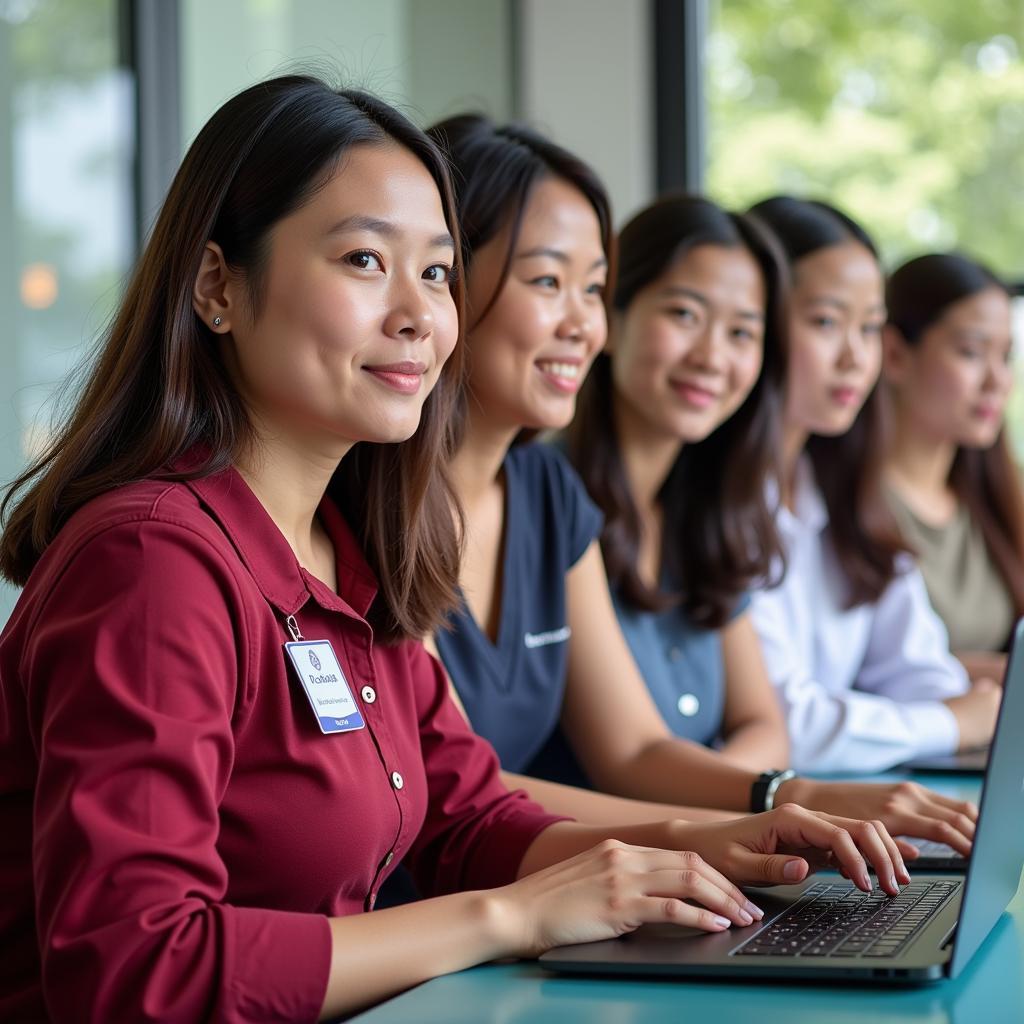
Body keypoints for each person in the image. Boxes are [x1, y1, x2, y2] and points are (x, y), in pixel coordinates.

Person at [0, 77, 913, 1023]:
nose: (419, 316)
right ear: (218, 285)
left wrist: (719, 842)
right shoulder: (154, 562)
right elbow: (136, 970)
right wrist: (509, 916)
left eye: (437, 273)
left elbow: (462, 811)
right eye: (364, 260)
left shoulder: (347, 547)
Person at [425, 114, 979, 847]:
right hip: (480, 900)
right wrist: (744, 822)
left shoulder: (546, 496)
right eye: (548, 281)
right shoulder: (385, 498)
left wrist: (791, 801)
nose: (578, 322)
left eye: (590, 288)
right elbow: (462, 792)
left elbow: (637, 749)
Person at [746, 197, 1002, 775]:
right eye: (825, 323)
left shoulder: (837, 488)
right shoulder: (726, 501)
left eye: (868, 328)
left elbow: (916, 665)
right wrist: (951, 719)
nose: (856, 357)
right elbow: (788, 724)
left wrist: (974, 710)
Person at [565, 193, 789, 771]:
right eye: (685, 315)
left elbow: (764, 724)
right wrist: (761, 805)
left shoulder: (705, 509)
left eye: (742, 333)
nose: (713, 357)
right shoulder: (551, 499)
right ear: (610, 320)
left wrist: (743, 811)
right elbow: (630, 765)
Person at [882, 253, 1024, 683]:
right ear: (894, 354)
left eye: (1006, 357)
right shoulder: (849, 506)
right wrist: (1005, 675)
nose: (997, 381)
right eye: (971, 353)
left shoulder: (997, 496)